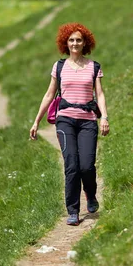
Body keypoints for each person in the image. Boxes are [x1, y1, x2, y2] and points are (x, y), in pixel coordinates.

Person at [29, 23, 109, 226]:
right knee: (72, 166)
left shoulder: (94, 67)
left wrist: (105, 118)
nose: (75, 43)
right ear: (66, 43)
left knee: (87, 166)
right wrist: (36, 121)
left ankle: (90, 196)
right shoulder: (59, 67)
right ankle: (73, 211)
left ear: (85, 43)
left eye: (79, 40)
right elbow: (49, 94)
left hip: (88, 121)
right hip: (65, 120)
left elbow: (99, 94)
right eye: (71, 40)